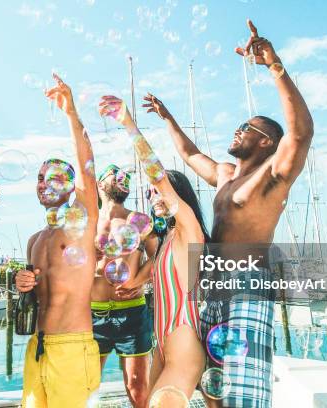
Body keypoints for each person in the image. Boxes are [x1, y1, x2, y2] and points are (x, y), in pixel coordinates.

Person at [142, 19, 314, 408]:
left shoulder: (273, 176)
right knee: (212, 390)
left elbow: (301, 134)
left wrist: (274, 66)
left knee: (244, 393)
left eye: (245, 127)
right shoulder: (224, 175)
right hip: (212, 291)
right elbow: (188, 155)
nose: (237, 131)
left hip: (247, 288)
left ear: (266, 141)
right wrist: (166, 116)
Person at [99, 95, 211, 407]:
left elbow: (157, 174)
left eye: (157, 191)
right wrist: (135, 282)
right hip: (161, 343)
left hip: (183, 342)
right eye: (150, 193)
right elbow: (158, 269)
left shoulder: (189, 227)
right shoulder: (169, 240)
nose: (152, 195)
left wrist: (128, 123)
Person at [15, 74, 100, 408]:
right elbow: (37, 295)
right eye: (38, 178)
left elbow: (87, 167)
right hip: (38, 345)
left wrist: (70, 113)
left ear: (70, 186)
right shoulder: (36, 239)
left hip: (72, 346)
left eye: (51, 177)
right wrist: (24, 284)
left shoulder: (80, 224)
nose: (42, 183)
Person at [91, 164, 158, 408]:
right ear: (100, 184)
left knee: (138, 386)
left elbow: (159, 256)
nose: (123, 177)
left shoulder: (138, 220)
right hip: (92, 314)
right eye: (115, 174)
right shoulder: (89, 221)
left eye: (126, 176)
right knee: (87, 383)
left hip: (131, 311)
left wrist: (138, 280)